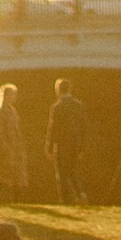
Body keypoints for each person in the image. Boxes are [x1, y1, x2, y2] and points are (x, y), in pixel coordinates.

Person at [44, 76, 89, 205]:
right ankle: (80, 193)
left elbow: (53, 128)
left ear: (58, 90)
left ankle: (65, 200)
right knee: (73, 170)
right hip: (75, 144)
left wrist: (49, 147)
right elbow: (84, 127)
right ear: (70, 89)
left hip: (61, 144)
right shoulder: (78, 105)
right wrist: (82, 147)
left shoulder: (57, 107)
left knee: (62, 174)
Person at [0, 82, 29, 201]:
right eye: (12, 95)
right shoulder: (1, 111)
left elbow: (17, 129)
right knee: (5, 177)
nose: (14, 97)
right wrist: (5, 147)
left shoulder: (12, 110)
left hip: (15, 146)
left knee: (14, 176)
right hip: (5, 148)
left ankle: (15, 200)